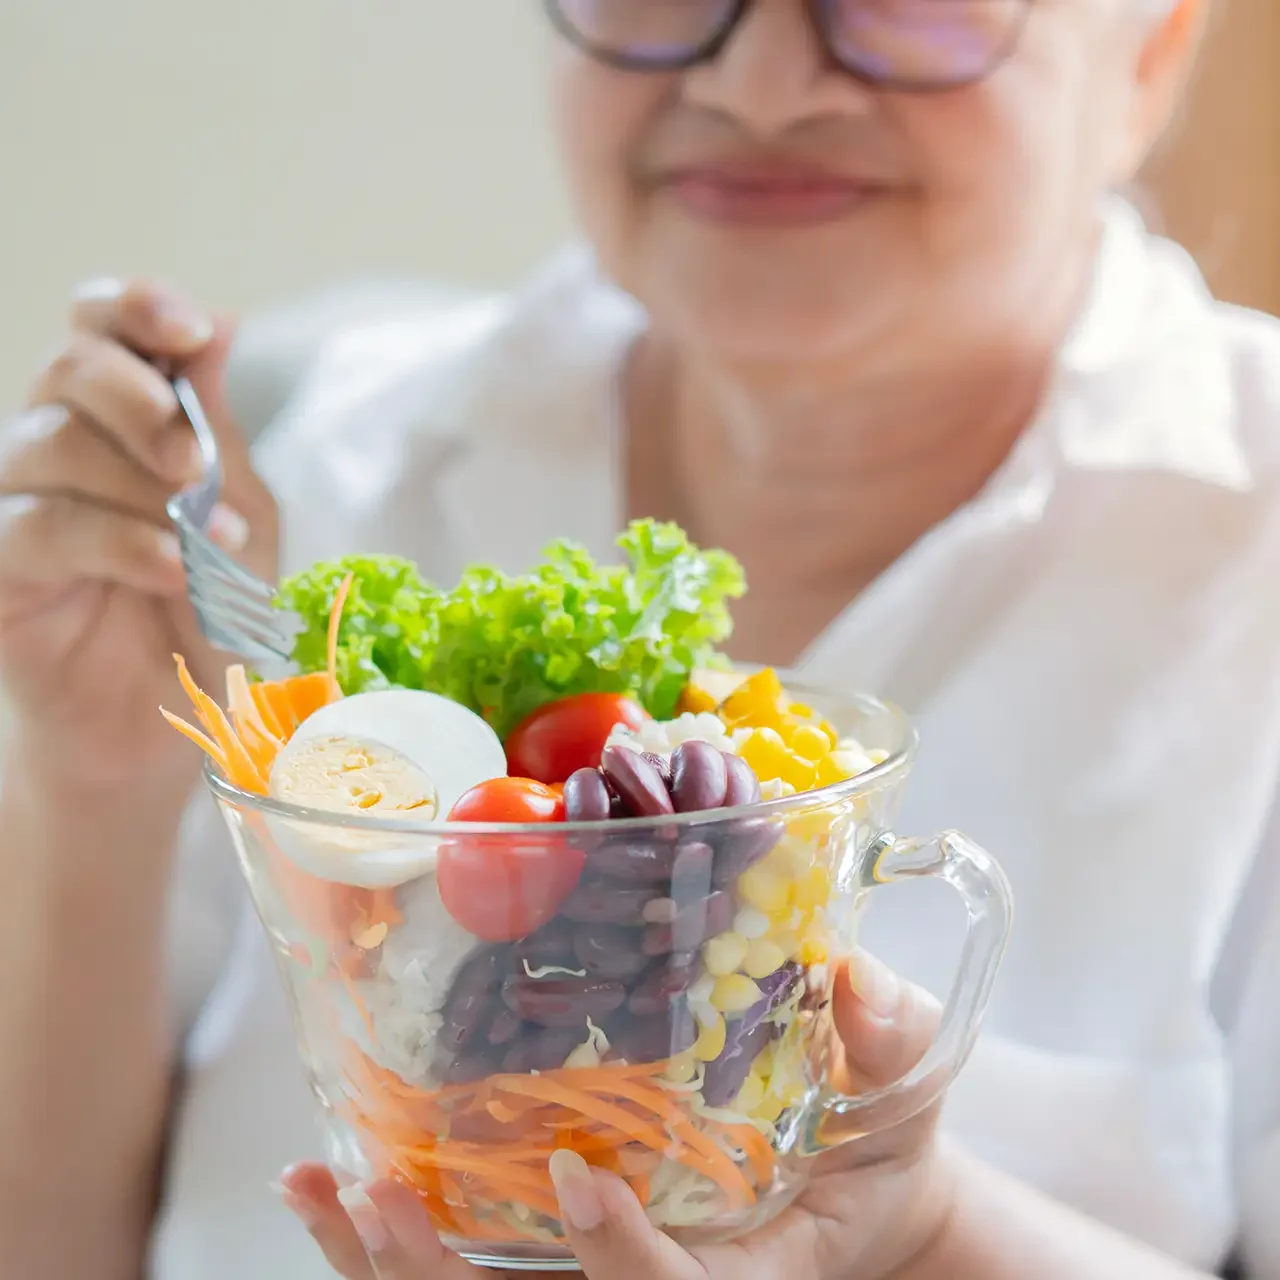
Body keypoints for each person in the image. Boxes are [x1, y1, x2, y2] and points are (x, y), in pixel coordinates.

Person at [1, 0, 1277, 1277]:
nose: (762, 81)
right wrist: (91, 790)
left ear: (1150, 57)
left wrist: (926, 1231)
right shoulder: (316, 474)